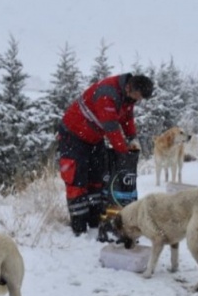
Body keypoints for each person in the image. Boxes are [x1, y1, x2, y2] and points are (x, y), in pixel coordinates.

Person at [57, 73, 154, 236]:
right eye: (137, 97)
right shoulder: (107, 94)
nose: (137, 101)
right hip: (73, 135)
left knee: (98, 177)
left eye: (140, 99)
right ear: (130, 87)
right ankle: (79, 228)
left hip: (93, 137)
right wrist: (123, 153)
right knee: (76, 179)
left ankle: (95, 220)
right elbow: (111, 128)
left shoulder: (128, 96)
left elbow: (127, 118)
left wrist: (132, 138)